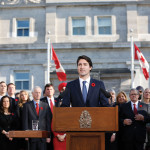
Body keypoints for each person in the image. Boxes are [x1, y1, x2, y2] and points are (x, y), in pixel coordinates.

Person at [40, 83, 59, 150]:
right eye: (47, 89)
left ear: (54, 91)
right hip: (46, 128)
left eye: (51, 89)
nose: (49, 91)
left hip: (57, 129)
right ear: (45, 91)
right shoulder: (41, 101)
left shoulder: (59, 101)